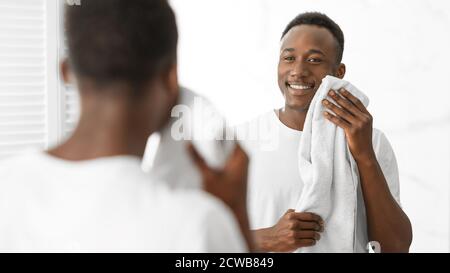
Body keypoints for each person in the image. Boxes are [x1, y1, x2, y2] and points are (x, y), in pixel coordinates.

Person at [0, 0, 251, 252]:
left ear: (66, 71)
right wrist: (236, 212)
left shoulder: (6, 189)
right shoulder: (197, 224)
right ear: (170, 79)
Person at [239, 12, 412, 253]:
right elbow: (205, 237)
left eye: (314, 60)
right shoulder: (242, 141)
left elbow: (395, 247)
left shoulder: (371, 142)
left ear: (338, 73)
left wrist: (363, 154)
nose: (298, 71)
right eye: (289, 57)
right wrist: (268, 239)